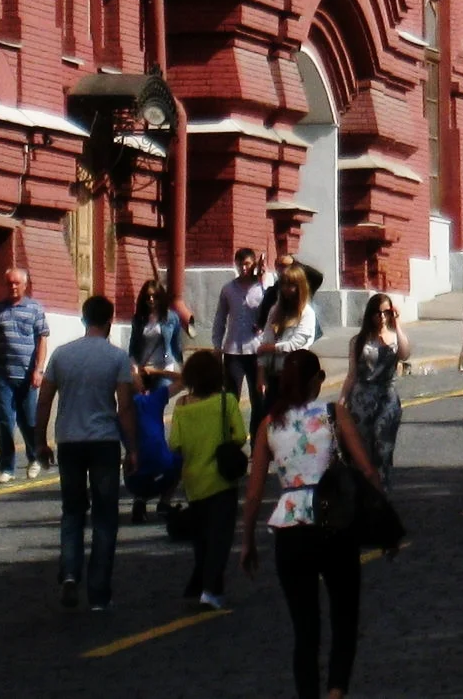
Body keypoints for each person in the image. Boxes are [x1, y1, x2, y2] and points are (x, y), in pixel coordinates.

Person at [238, 350, 378, 699]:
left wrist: (248, 542)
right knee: (344, 615)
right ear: (317, 381)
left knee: (305, 627)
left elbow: (253, 493)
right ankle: (336, 690)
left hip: (291, 523)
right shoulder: (333, 414)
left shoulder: (269, 424)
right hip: (334, 521)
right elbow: (367, 469)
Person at [34, 293, 140, 611]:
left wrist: (40, 441)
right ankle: (98, 593)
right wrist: (132, 448)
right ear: (109, 321)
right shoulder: (117, 358)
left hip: (69, 440)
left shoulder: (62, 355)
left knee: (73, 511)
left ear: (83, 319)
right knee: (105, 518)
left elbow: (44, 400)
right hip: (104, 441)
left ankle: (69, 573)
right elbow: (124, 408)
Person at [167, 347, 245, 610]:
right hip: (221, 480)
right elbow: (240, 436)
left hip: (193, 479)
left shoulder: (181, 406)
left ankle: (202, 583)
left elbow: (175, 443)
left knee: (201, 538)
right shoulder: (226, 401)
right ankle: (211, 589)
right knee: (220, 537)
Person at [0, 266, 52, 483]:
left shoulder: (35, 309)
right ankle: (7, 468)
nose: (12, 286)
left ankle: (35, 457)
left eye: (16, 283)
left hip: (27, 375)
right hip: (2, 374)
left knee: (28, 420)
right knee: (5, 421)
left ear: (25, 285)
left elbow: (42, 340)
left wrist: (39, 370)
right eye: (9, 283)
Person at [342, 292, 410, 476]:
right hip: (362, 397)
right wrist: (342, 400)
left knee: (384, 446)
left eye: (386, 312)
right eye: (377, 313)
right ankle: (363, 491)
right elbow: (352, 374)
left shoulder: (395, 338)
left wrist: (398, 325)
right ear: (370, 315)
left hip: (387, 395)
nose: (381, 317)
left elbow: (405, 354)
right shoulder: (359, 341)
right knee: (361, 449)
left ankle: (382, 490)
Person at [211, 247, 272, 416]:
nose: (243, 268)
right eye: (239, 264)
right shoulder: (228, 289)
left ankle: (257, 437)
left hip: (256, 350)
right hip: (233, 351)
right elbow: (220, 318)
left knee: (258, 398)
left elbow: (273, 308)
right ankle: (230, 436)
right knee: (230, 399)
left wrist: (264, 278)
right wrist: (217, 344)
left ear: (254, 264)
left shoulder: (263, 287)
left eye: (247, 264)